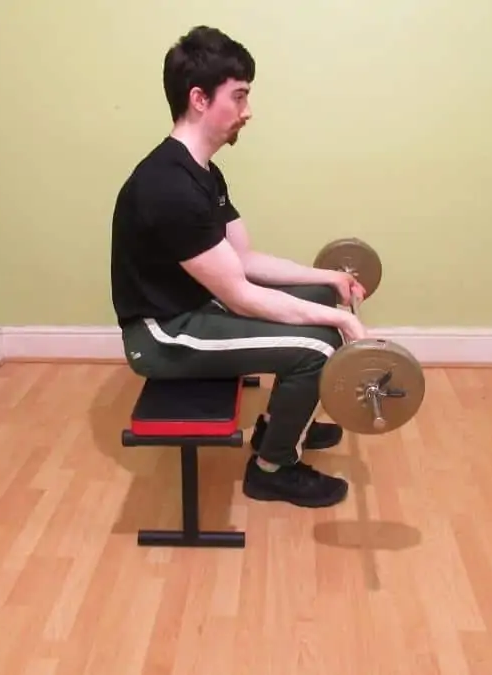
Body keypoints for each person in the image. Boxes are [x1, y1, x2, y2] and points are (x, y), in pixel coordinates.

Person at [110, 26, 368, 509]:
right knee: (318, 345)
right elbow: (240, 295)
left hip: (196, 304)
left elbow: (244, 260)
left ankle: (280, 424)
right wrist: (340, 319)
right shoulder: (168, 186)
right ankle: (273, 469)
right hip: (163, 334)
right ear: (200, 99)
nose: (248, 112)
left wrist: (329, 281)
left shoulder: (202, 170)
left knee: (321, 305)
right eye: (240, 96)